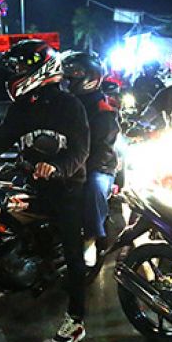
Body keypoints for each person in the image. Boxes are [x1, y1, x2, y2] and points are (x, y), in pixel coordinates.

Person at [0, 39, 91, 342]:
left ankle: (76, 318)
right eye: (16, 68)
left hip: (66, 187)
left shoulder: (69, 106)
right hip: (31, 180)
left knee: (74, 253)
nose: (16, 73)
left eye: (21, 67)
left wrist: (57, 168)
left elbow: (80, 150)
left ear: (41, 68)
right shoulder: (22, 106)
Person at [60, 50, 120, 259]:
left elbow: (102, 146)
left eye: (75, 72)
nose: (69, 78)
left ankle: (95, 237)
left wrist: (79, 166)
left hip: (98, 163)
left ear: (91, 76)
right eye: (67, 73)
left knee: (94, 186)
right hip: (71, 160)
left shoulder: (101, 107)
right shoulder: (65, 103)